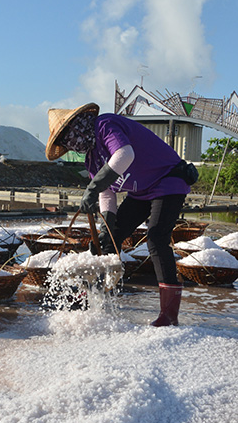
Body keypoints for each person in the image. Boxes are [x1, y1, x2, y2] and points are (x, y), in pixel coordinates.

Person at [45, 102, 195, 327]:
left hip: (168, 180)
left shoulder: (105, 125)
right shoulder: (91, 159)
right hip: (142, 192)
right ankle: (94, 298)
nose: (71, 144)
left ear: (78, 125)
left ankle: (169, 315)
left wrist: (92, 188)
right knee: (107, 240)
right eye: (66, 142)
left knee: (156, 239)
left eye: (69, 136)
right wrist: (108, 223)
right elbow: (108, 192)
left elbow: (124, 154)